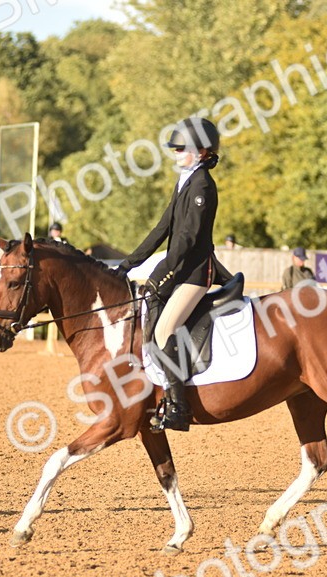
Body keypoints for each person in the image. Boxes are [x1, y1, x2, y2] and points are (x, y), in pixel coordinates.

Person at [116, 116, 222, 432]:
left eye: (182, 148)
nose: (176, 153)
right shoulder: (185, 181)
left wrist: (161, 273)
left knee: (164, 331)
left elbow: (187, 239)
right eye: (174, 148)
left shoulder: (202, 185)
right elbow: (162, 229)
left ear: (202, 152)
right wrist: (129, 263)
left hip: (195, 274)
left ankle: (179, 407)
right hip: (181, 270)